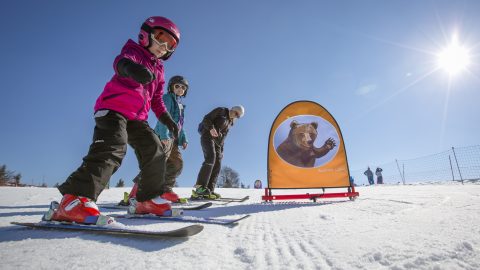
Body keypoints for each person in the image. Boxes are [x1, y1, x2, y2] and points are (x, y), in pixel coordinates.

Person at [48, 16, 183, 225]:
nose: (163, 46)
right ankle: (74, 200)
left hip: (137, 118)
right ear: (146, 34)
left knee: (155, 150)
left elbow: (156, 99)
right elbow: (120, 62)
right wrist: (132, 69)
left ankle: (146, 200)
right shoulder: (134, 51)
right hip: (113, 110)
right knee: (113, 148)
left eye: (170, 44)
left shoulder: (159, 70)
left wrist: (168, 120)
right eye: (160, 37)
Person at [125, 75, 189, 203]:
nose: (180, 89)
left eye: (183, 87)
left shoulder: (180, 105)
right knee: (155, 164)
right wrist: (164, 135)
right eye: (177, 86)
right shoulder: (167, 98)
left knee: (177, 164)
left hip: (173, 140)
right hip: (163, 136)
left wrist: (183, 138)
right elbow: (163, 118)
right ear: (171, 87)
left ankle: (165, 190)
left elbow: (180, 125)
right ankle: (135, 193)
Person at [192, 106, 245, 199]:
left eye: (238, 116)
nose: (235, 115)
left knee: (218, 163)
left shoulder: (229, 123)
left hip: (217, 143)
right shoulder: (221, 111)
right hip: (207, 135)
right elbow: (206, 118)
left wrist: (221, 152)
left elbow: (222, 140)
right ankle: (199, 188)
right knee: (210, 158)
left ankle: (209, 190)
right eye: (236, 112)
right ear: (232, 109)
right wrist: (211, 128)